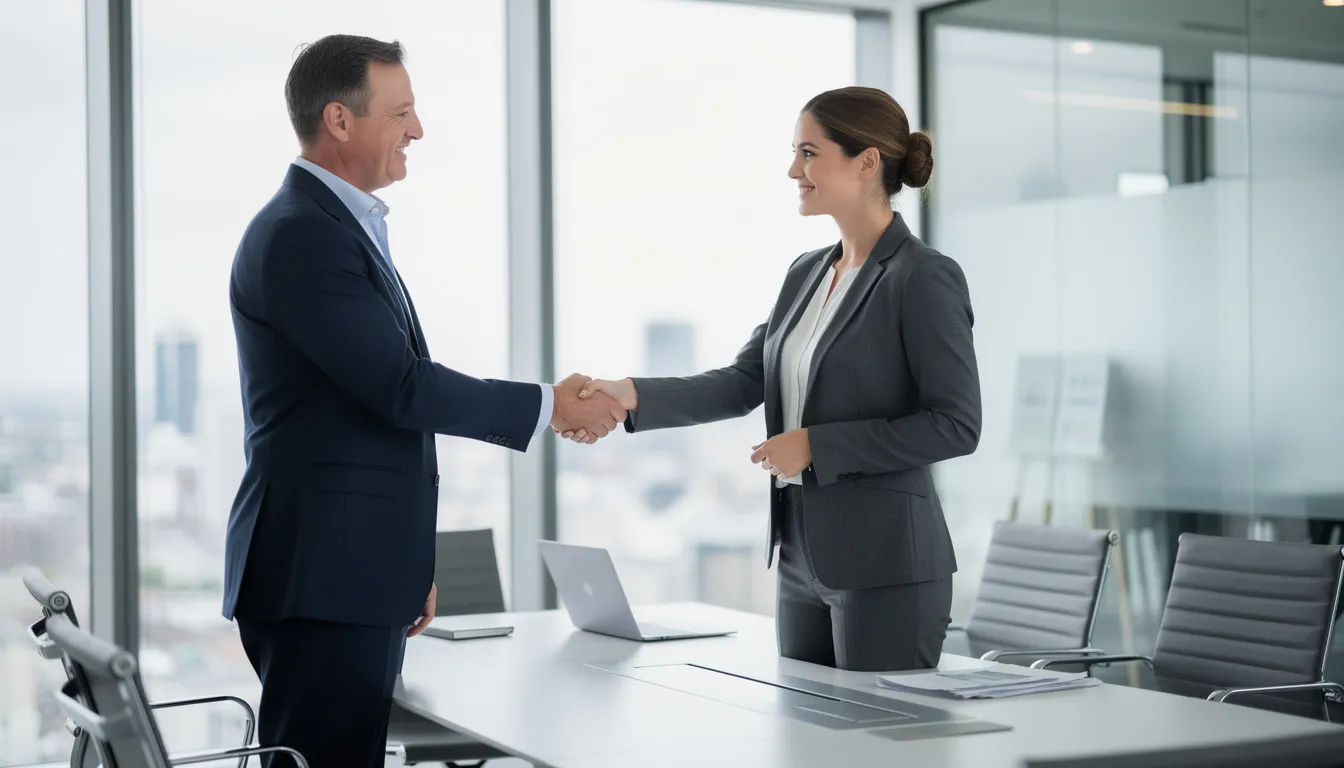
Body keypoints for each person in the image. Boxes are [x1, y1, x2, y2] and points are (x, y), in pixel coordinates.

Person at [223, 35, 622, 767]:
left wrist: (401, 565)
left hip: (346, 573)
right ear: (340, 120)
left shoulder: (332, 226)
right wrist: (550, 405)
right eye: (401, 112)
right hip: (323, 580)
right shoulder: (302, 235)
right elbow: (401, 386)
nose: (419, 129)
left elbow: (366, 405)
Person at [567, 86, 981, 672]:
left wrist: (817, 446)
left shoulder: (923, 277)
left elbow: (955, 424)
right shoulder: (806, 273)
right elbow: (744, 381)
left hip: (887, 563)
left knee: (874, 729)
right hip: (798, 555)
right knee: (803, 725)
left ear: (866, 162)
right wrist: (631, 394)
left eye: (809, 153)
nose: (793, 171)